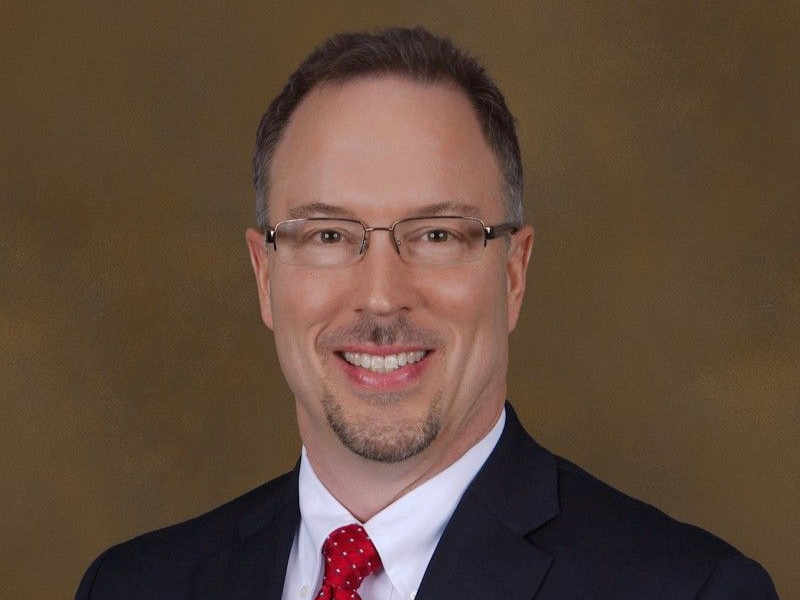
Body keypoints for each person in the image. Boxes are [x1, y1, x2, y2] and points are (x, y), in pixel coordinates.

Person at [75, 26, 780, 600]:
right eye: (327, 236)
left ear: (513, 272)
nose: (381, 296)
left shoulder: (690, 591)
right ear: (265, 275)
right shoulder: (133, 585)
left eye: (437, 235)